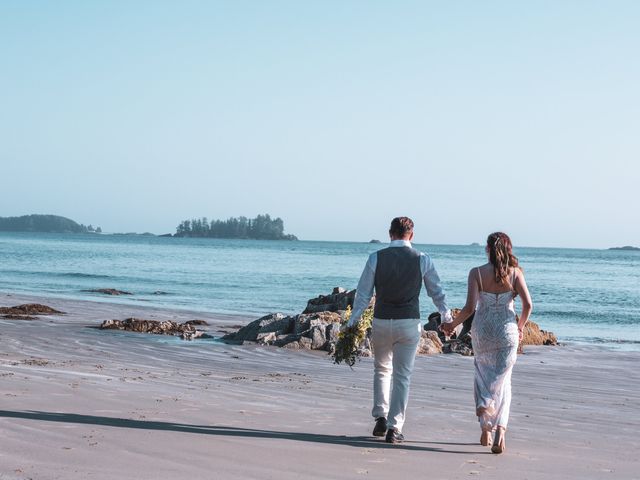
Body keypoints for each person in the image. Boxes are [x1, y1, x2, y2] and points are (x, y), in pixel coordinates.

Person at [347, 217, 451, 443]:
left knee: (382, 369)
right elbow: (436, 291)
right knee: (402, 375)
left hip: (382, 320)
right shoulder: (422, 259)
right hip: (408, 322)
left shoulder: (376, 258)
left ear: (390, 233)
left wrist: (353, 322)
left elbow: (363, 294)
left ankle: (380, 418)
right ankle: (395, 428)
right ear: (411, 235)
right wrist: (446, 315)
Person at [441, 232, 532, 454]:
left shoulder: (476, 273)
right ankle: (500, 429)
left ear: (487, 249)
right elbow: (528, 305)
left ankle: (485, 425)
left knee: (482, 375)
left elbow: (470, 308)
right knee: (504, 383)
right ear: (509, 249)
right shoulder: (515, 274)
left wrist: (452, 326)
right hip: (507, 332)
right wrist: (519, 327)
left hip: (482, 332)